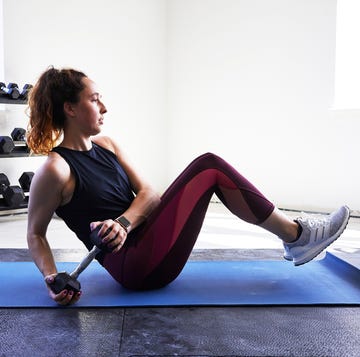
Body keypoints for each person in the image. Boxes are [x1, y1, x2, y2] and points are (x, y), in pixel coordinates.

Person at [26, 67, 350, 306]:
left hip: (150, 242)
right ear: (70, 109)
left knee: (209, 167)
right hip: (136, 265)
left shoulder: (107, 145)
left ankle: (296, 236)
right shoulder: (55, 169)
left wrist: (123, 222)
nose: (105, 108)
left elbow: (150, 195)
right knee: (208, 166)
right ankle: (298, 236)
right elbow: (35, 233)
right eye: (95, 100)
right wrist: (52, 277)